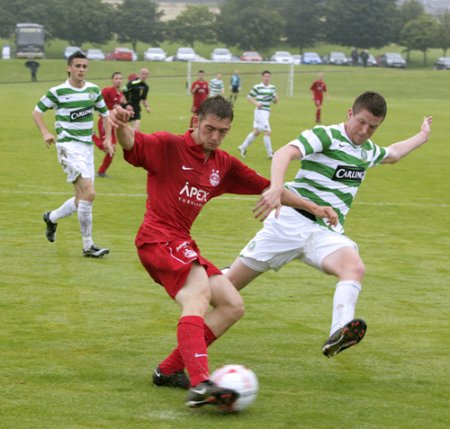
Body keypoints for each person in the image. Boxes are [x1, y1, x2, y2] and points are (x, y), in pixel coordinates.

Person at [108, 95, 337, 407]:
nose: (215, 137)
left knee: (232, 304)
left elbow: (272, 188)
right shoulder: (168, 146)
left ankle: (169, 370)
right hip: (157, 239)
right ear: (196, 121)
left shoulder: (222, 164)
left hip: (183, 243)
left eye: (223, 132)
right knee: (198, 295)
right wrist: (120, 125)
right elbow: (132, 143)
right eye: (209, 129)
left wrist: (314, 207)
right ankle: (201, 383)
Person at [226, 91, 432, 359]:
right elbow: (284, 152)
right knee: (227, 288)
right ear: (350, 113)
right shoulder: (327, 135)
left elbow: (392, 154)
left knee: (354, 267)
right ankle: (207, 280)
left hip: (326, 232)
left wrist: (422, 136)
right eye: (361, 122)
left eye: (373, 127)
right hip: (289, 223)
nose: (365, 131)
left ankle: (339, 332)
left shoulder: (367, 151)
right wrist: (277, 188)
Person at [32, 51, 112, 258]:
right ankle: (88, 245)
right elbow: (37, 111)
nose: (81, 70)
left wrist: (108, 139)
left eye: (84, 66)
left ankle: (52, 217)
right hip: (68, 147)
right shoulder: (58, 92)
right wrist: (45, 132)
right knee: (90, 193)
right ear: (69, 68)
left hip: (86, 149)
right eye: (77, 66)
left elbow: (106, 115)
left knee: (82, 197)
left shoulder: (93, 91)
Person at [93, 71, 127, 177]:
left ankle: (102, 172)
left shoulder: (120, 94)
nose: (118, 80)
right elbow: (97, 99)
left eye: (120, 78)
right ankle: (92, 136)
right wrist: (99, 110)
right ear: (112, 80)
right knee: (107, 148)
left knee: (112, 149)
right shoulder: (108, 90)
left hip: (114, 124)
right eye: (116, 78)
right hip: (105, 122)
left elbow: (116, 108)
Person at [238, 70, 278, 159]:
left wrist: (275, 99)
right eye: (265, 76)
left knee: (257, 132)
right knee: (267, 132)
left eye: (268, 76)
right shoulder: (257, 87)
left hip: (267, 112)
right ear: (262, 77)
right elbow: (249, 97)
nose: (267, 78)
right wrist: (256, 103)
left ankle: (243, 147)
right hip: (260, 112)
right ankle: (270, 154)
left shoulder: (272, 88)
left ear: (270, 78)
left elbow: (275, 100)